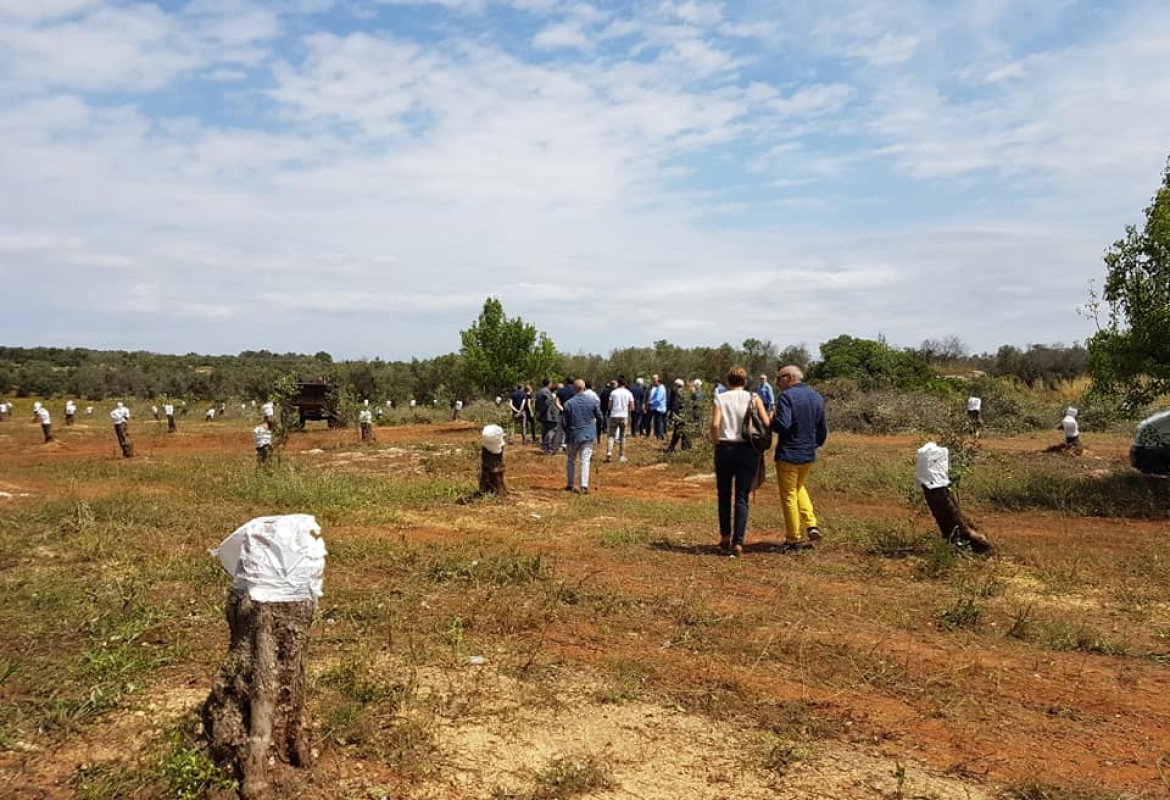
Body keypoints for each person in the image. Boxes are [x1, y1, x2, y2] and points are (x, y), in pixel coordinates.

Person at [711, 367, 769, 557]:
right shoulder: (753, 398)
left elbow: (715, 424)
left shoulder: (721, 397)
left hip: (725, 448)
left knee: (724, 494)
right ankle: (738, 542)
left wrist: (715, 441)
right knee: (742, 497)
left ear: (729, 380)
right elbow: (767, 423)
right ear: (745, 381)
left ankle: (725, 537)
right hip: (747, 450)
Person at [770, 366, 827, 551]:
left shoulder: (787, 397)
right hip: (808, 455)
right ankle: (811, 524)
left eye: (778, 379)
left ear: (788, 378)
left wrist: (770, 421)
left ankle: (793, 539)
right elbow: (822, 431)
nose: (777, 383)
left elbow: (783, 425)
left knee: (788, 496)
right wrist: (812, 445)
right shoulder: (817, 397)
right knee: (798, 488)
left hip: (789, 454)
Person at [561, 379, 605, 494]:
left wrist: (568, 432)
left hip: (573, 435)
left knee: (571, 460)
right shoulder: (592, 401)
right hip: (588, 434)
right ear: (584, 388)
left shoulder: (568, 403)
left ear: (574, 389)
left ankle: (570, 485)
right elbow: (600, 417)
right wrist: (598, 428)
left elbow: (564, 423)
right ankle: (584, 486)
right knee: (585, 460)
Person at [606, 377, 634, 463]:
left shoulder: (613, 393)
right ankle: (621, 456)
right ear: (625, 384)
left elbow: (609, 406)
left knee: (611, 435)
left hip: (614, 415)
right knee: (622, 436)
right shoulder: (629, 393)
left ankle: (609, 452)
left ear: (618, 384)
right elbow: (632, 407)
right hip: (623, 415)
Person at [534, 379, 559, 454]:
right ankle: (548, 448)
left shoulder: (538, 392)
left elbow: (536, 403)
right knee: (552, 430)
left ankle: (545, 447)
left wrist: (538, 412)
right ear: (549, 384)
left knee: (545, 430)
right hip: (550, 415)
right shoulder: (547, 392)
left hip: (543, 415)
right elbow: (547, 403)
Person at [666, 378, 691, 453]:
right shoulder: (686, 393)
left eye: (674, 385)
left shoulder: (677, 393)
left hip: (679, 416)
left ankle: (672, 448)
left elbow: (675, 405)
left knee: (678, 432)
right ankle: (686, 448)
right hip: (686, 415)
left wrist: (671, 414)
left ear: (677, 385)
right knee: (683, 432)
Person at [648, 374, 668, 440]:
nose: (653, 383)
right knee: (657, 422)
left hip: (659, 408)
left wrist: (650, 403)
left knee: (659, 423)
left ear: (658, 381)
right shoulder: (658, 388)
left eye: (654, 382)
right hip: (657, 408)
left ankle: (659, 436)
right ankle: (659, 435)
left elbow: (658, 399)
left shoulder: (661, 388)